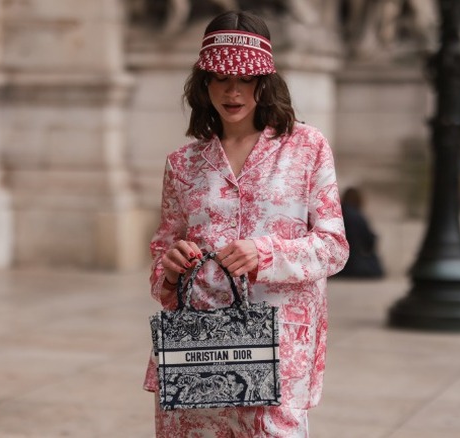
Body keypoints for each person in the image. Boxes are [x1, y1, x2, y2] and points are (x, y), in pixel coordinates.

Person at [143, 10, 349, 437]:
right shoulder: (183, 165)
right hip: (196, 348)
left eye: (245, 79)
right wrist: (170, 264)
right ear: (204, 84)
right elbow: (161, 258)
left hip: (279, 346)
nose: (232, 91)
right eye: (220, 78)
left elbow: (333, 246)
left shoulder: (306, 148)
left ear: (264, 82)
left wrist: (267, 253)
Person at [334, 187, 385, 278]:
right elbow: (369, 243)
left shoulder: (336, 214)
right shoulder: (358, 217)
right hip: (354, 265)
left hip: (338, 265)